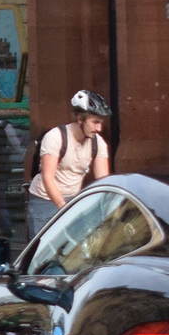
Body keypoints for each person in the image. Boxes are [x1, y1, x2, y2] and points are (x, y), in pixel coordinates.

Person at [27, 90, 111, 237]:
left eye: (101, 123)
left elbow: (103, 181)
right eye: (95, 122)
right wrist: (63, 207)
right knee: (41, 252)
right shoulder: (55, 137)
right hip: (44, 201)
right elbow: (47, 177)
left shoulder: (98, 143)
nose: (99, 128)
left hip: (72, 200)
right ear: (80, 118)